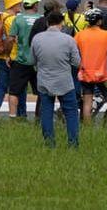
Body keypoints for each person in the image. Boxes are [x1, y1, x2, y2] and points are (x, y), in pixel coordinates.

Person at [31, 9, 81, 147]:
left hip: (44, 80)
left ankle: (49, 143)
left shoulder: (37, 39)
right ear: (62, 23)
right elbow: (77, 62)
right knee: (71, 112)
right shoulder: (68, 40)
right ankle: (73, 143)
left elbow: (33, 60)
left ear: (47, 22)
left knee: (46, 111)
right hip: (64, 81)